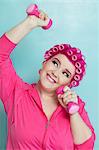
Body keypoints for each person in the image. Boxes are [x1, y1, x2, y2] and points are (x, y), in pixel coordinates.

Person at [0, 7, 95, 150]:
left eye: (65, 73)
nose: (55, 73)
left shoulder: (76, 106)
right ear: (44, 64)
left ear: (69, 84)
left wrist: (73, 113)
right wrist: (31, 22)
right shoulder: (16, 92)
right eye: (55, 63)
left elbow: (87, 147)